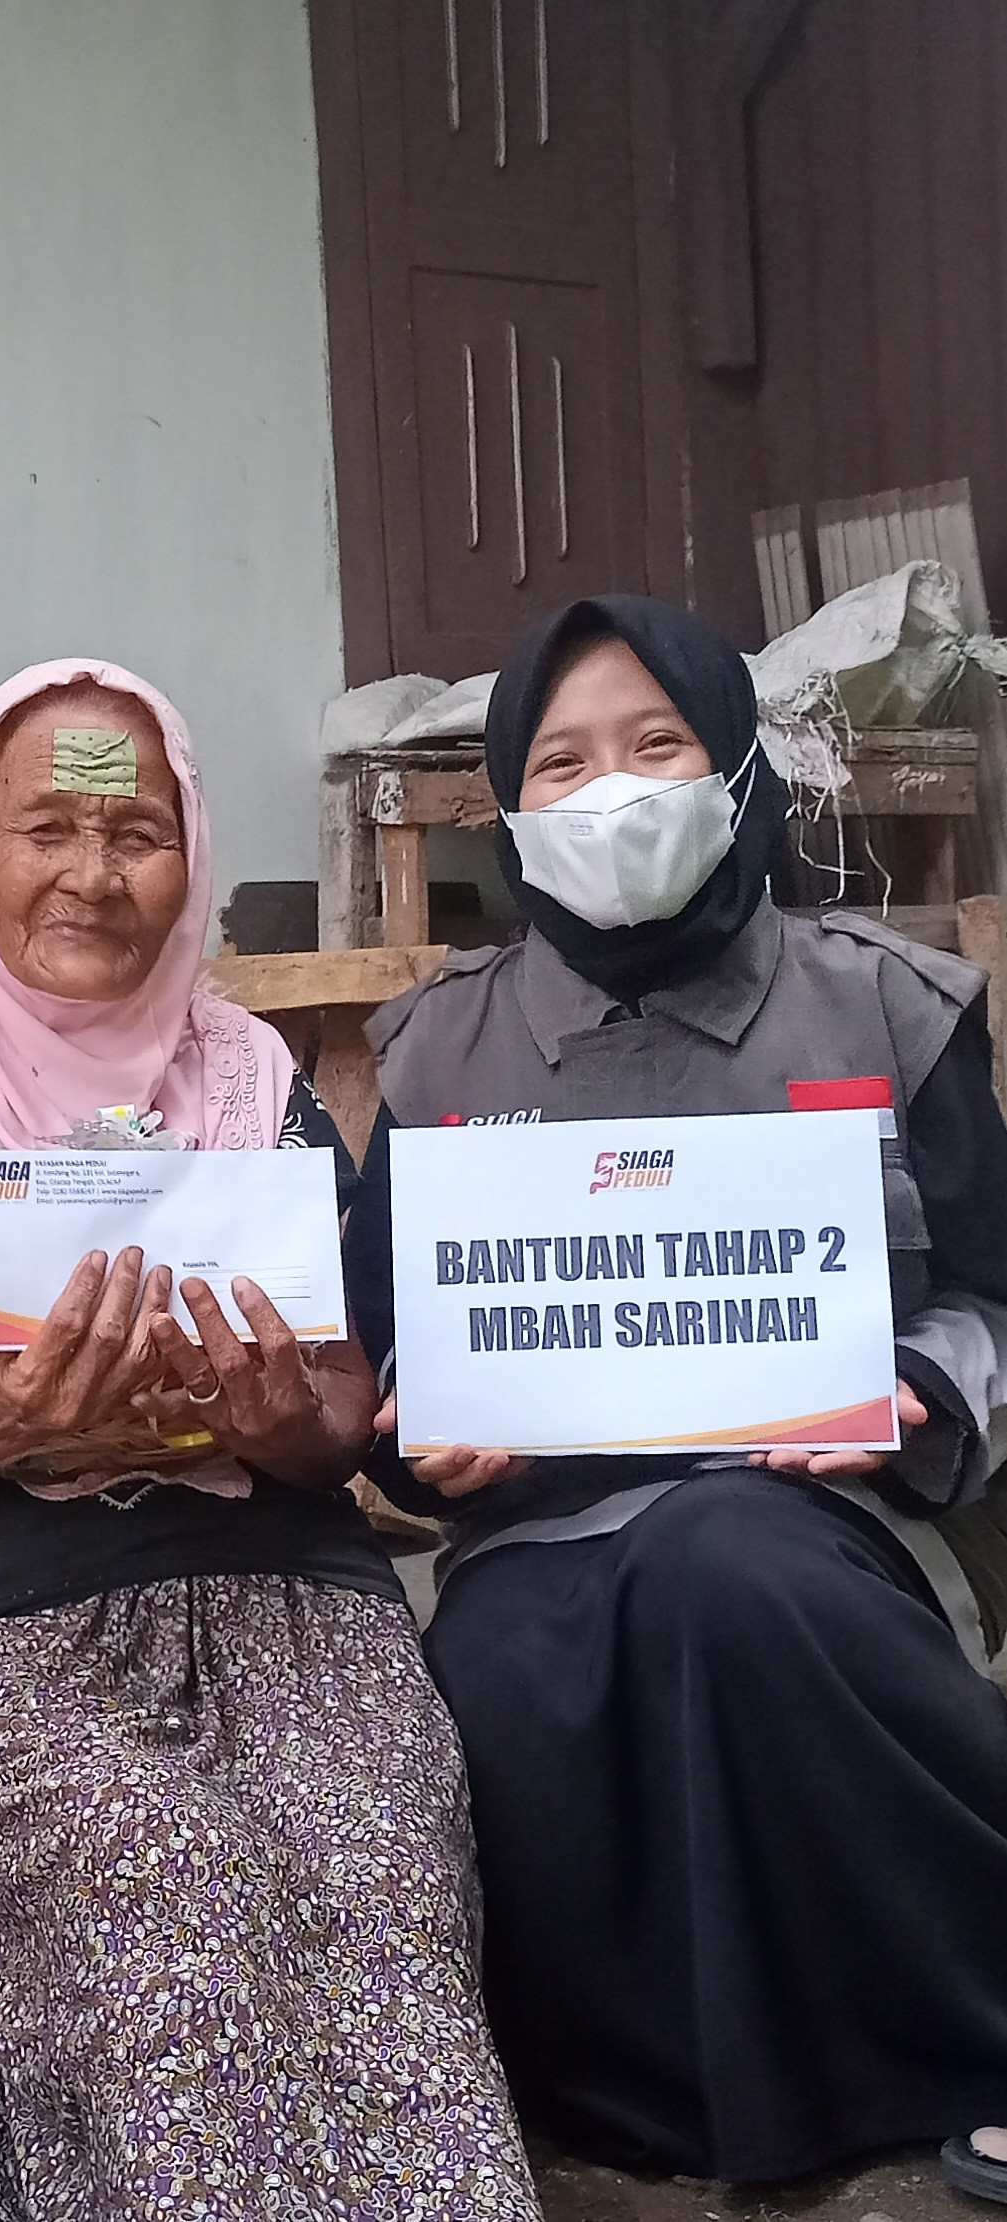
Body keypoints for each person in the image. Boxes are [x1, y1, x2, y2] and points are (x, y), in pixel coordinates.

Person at [0, 658, 539, 2219]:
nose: (93, 877)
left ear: (188, 854)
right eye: (48, 827)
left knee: (368, 1857)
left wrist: (274, 1412)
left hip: (273, 1582)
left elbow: (332, 1421)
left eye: (138, 833)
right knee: (151, 1860)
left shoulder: (248, 1078)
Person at [342, 594, 1007, 2192]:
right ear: (508, 805)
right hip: (537, 1538)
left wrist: (921, 1379)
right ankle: (636, 2103)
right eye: (559, 761)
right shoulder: (436, 1058)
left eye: (657, 745)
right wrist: (424, 1448)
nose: (611, 793)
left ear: (734, 771)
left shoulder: (885, 1006)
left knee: (725, 1566)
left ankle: (972, 2026)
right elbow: (382, 1365)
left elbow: (995, 1290)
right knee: (491, 1674)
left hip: (830, 1522)